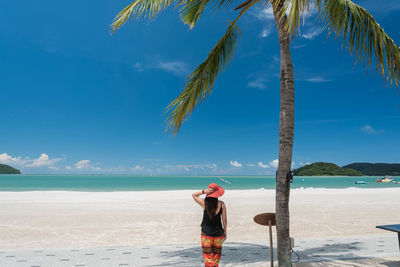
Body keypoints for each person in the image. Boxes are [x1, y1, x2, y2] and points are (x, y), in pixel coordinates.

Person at [192, 183, 227, 267]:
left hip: (206, 234)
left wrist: (204, 191)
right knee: (216, 256)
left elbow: (194, 195)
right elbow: (224, 221)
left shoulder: (204, 203)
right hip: (219, 234)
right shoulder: (222, 204)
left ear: (209, 192)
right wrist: (225, 231)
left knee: (208, 257)